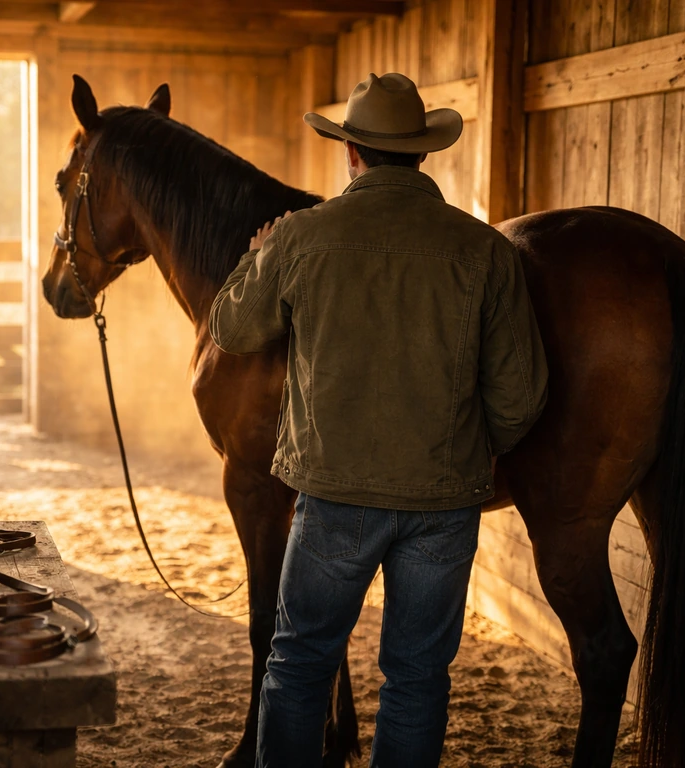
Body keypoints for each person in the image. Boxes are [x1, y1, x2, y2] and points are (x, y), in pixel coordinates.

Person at [209, 72, 548, 768]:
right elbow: (521, 394)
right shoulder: (484, 251)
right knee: (418, 679)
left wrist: (252, 260)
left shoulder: (302, 237)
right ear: (422, 154)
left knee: (300, 665)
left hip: (334, 499)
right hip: (443, 505)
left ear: (351, 153)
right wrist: (470, 455)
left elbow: (232, 330)